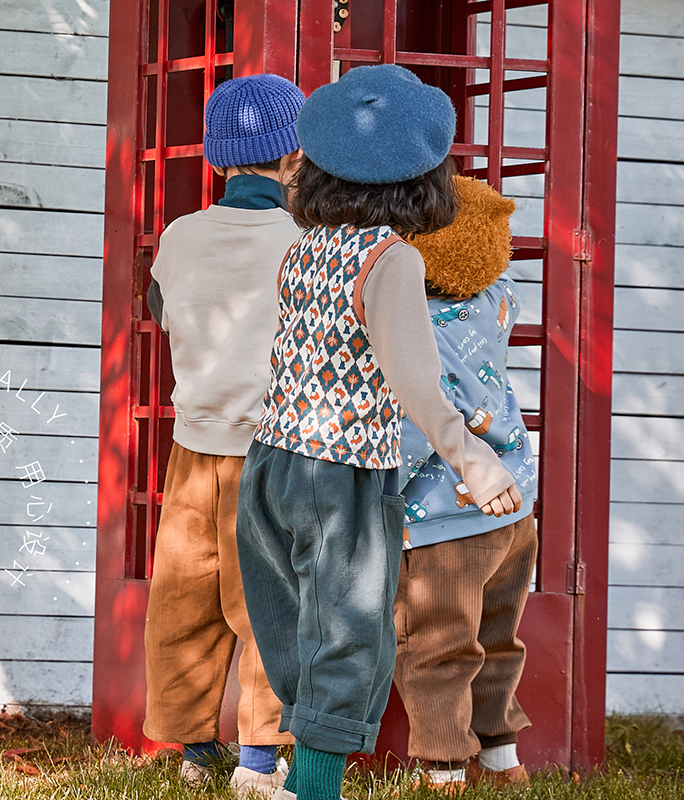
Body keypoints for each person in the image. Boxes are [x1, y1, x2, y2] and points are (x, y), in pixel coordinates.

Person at [235, 65, 523, 800]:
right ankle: (315, 789)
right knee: (349, 642)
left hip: (271, 462)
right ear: (428, 181)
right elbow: (414, 380)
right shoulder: (392, 259)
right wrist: (474, 461)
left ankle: (296, 770)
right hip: (343, 471)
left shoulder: (303, 250)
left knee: (294, 629)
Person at [143, 73, 305, 796]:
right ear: (296, 158)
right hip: (271, 455)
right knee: (270, 609)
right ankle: (260, 762)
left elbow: (162, 308)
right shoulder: (305, 241)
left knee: (183, 601)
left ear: (216, 159)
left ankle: (194, 745)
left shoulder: (179, 236)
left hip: (193, 447)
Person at [394, 175, 539, 790]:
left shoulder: (414, 325)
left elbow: (417, 426)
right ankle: (502, 760)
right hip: (515, 511)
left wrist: (375, 490)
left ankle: (444, 767)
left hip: (445, 517)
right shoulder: (500, 298)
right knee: (497, 638)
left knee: (440, 645)